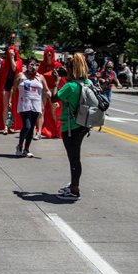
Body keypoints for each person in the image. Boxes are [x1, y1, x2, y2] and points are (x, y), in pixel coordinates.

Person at [51, 53, 91, 201]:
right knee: (76, 157)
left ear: (72, 69)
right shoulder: (87, 82)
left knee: (74, 158)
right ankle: (73, 184)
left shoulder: (69, 86)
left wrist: (56, 82)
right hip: (83, 124)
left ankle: (75, 190)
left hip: (70, 126)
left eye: (68, 67)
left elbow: (53, 98)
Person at [11, 57, 51, 157]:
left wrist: (52, 98)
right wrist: (11, 103)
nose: (34, 67)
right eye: (32, 64)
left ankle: (26, 149)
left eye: (36, 65)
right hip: (24, 104)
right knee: (27, 126)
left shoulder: (40, 77)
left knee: (32, 128)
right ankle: (19, 146)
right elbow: (14, 90)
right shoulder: (20, 76)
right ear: (27, 65)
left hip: (36, 105)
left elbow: (46, 90)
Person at [36, 46, 64, 139]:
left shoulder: (57, 65)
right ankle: (39, 131)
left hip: (53, 90)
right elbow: (37, 77)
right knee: (41, 110)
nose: (48, 54)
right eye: (47, 52)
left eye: (50, 52)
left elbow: (62, 79)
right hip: (43, 90)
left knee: (54, 112)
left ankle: (57, 130)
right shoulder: (42, 65)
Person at [0, 45, 23, 134]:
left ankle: (11, 125)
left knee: (13, 107)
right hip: (6, 86)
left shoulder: (19, 61)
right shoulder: (4, 63)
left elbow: (15, 68)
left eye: (13, 52)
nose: (11, 53)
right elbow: (1, 78)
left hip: (15, 87)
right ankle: (5, 127)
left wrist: (11, 58)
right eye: (9, 52)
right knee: (5, 106)